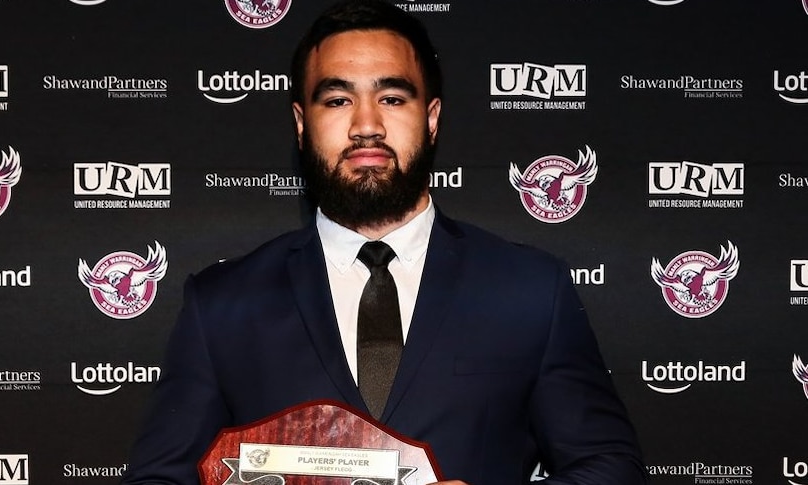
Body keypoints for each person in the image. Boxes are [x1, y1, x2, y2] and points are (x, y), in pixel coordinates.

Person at [121, 1, 648, 484]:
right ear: (302, 124)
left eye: (392, 97)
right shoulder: (222, 303)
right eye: (337, 99)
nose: (366, 125)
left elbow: (609, 467)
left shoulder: (531, 289)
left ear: (432, 119)